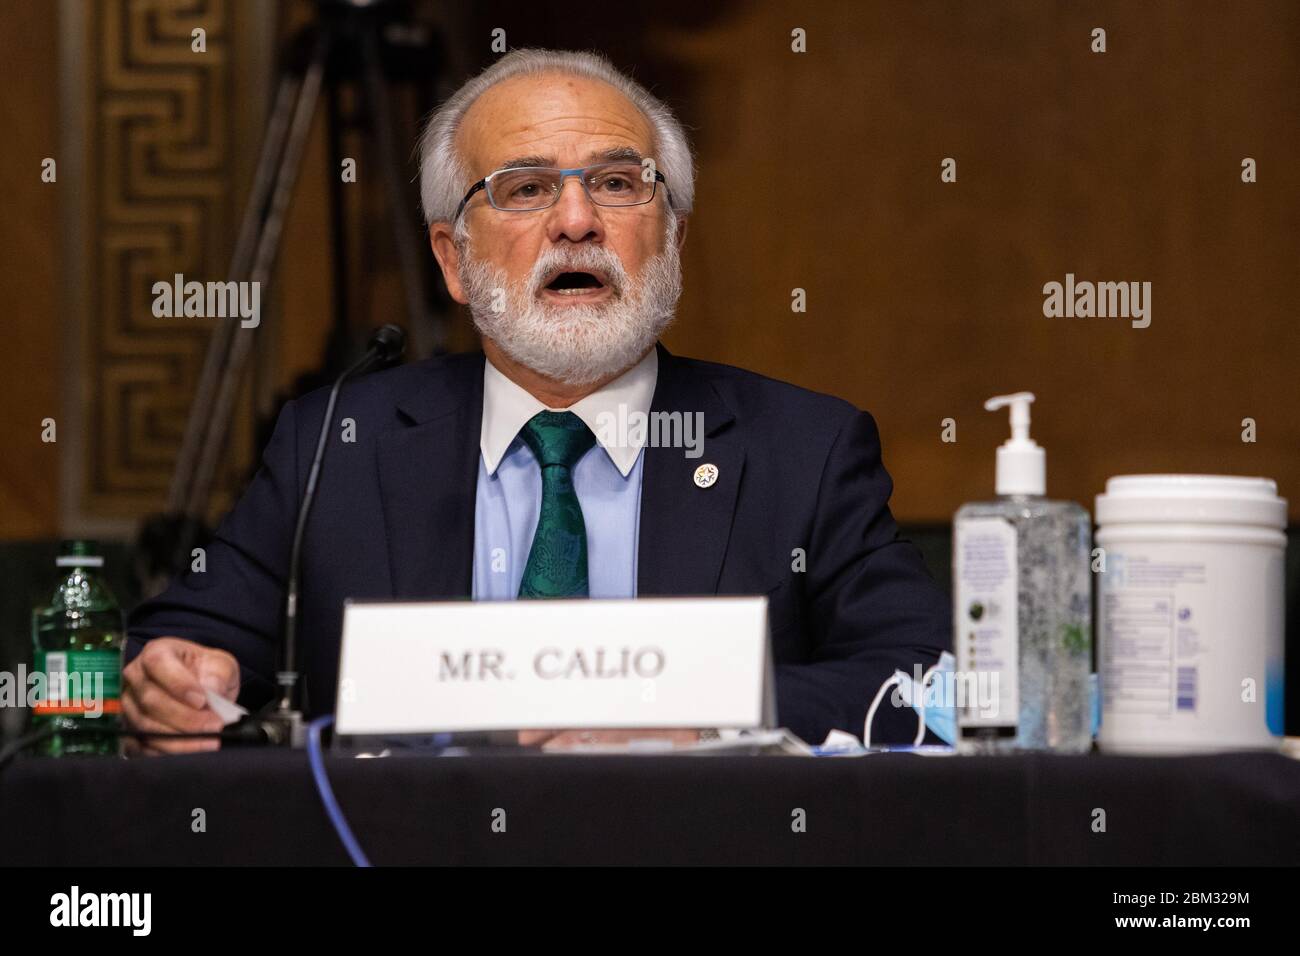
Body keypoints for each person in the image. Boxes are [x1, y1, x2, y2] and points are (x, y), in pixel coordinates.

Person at [123, 48, 950, 754]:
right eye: (524, 190)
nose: (578, 220)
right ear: (452, 259)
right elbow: (175, 650)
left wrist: (709, 724)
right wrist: (182, 675)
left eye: (620, 183)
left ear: (674, 237)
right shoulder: (335, 444)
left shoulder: (801, 450)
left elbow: (931, 680)